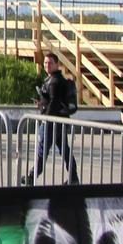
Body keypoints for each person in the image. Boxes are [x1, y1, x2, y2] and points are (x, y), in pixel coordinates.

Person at [22, 53, 80, 186]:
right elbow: (52, 100)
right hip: (60, 121)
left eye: (50, 63)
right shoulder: (55, 79)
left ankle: (32, 176)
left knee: (43, 150)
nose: (47, 65)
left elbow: (55, 101)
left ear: (57, 64)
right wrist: (42, 103)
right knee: (65, 150)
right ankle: (74, 177)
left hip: (52, 122)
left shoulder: (55, 81)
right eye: (46, 63)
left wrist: (46, 118)